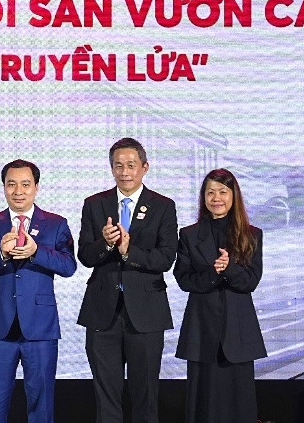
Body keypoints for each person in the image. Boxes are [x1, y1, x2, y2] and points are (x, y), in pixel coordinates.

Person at [0, 159, 77, 423]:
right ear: (4, 187)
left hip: (40, 327)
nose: (18, 191)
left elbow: (68, 266)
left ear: (36, 187)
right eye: (11, 184)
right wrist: (1, 255)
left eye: (25, 184)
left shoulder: (56, 223)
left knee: (41, 406)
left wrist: (36, 251)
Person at [76, 138, 178, 423]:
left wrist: (128, 251)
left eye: (131, 165)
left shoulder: (163, 206)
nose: (124, 172)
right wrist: (106, 244)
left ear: (144, 167)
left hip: (146, 312)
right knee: (106, 397)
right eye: (118, 165)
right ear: (111, 168)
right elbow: (85, 255)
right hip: (102, 312)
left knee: (145, 396)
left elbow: (165, 258)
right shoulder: (94, 204)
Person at [174, 169, 266, 423]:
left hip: (238, 330)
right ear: (203, 197)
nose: (216, 198)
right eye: (210, 192)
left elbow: (251, 281)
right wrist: (214, 272)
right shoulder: (189, 235)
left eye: (223, 192)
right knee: (203, 404)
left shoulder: (251, 234)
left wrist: (229, 268)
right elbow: (183, 279)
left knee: (239, 404)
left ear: (233, 196)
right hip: (202, 329)